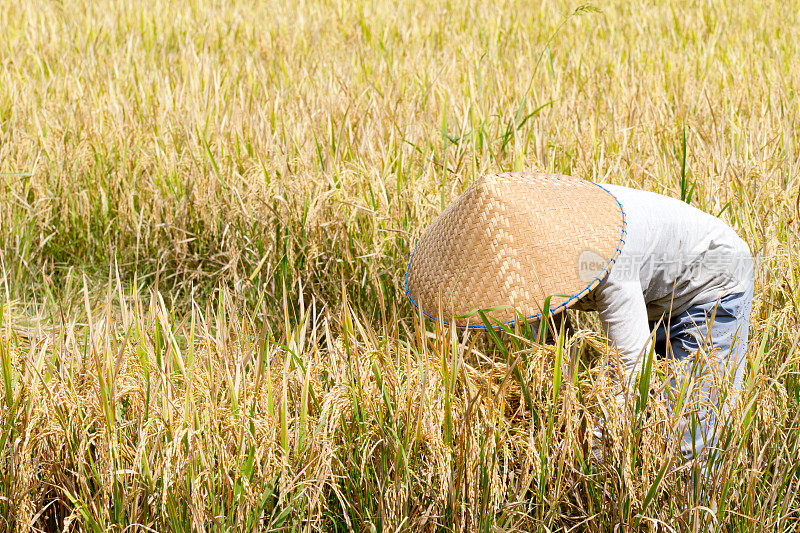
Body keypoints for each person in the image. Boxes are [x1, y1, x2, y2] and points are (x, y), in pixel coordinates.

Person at [405, 172, 754, 464]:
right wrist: (564, 423)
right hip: (656, 287)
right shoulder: (525, 266)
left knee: (690, 437)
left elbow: (634, 372)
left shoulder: (605, 259)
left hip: (713, 281)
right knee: (642, 426)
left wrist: (595, 447)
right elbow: (556, 357)